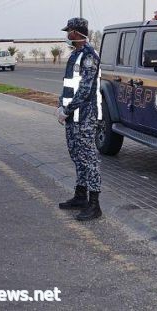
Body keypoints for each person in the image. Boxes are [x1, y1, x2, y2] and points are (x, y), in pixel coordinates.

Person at [56, 17, 103, 221]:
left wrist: (67, 110)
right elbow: (68, 85)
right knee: (76, 155)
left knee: (89, 159)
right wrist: (61, 105)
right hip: (71, 115)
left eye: (70, 32)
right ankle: (80, 195)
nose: (67, 35)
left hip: (85, 116)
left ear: (77, 33)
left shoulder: (89, 56)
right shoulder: (75, 55)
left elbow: (84, 90)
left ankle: (94, 204)